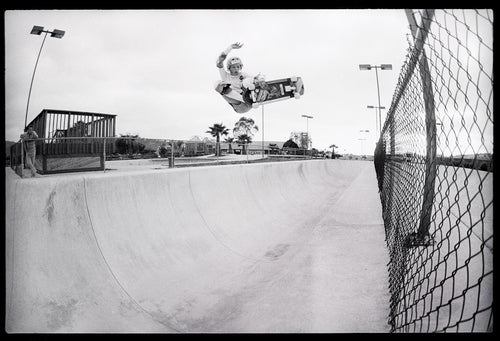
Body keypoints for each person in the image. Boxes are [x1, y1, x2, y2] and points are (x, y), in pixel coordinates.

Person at [215, 42, 267, 113]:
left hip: (249, 103)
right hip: (239, 106)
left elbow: (255, 78)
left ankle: (254, 96)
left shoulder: (243, 74)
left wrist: (260, 79)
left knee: (247, 80)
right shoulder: (225, 76)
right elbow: (219, 61)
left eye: (238, 67)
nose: (236, 69)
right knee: (218, 84)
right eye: (233, 67)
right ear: (229, 68)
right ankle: (246, 99)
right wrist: (230, 48)